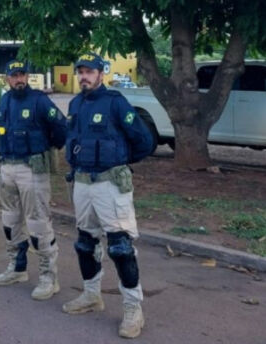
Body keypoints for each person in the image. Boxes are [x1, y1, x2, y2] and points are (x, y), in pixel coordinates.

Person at [62, 52, 154, 339]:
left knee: (120, 247)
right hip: (82, 183)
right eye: (81, 72)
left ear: (101, 74)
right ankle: (92, 295)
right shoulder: (76, 104)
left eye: (90, 72)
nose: (84, 76)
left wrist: (120, 162)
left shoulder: (115, 102)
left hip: (109, 184)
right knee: (85, 243)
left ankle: (132, 309)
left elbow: (144, 141)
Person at [0, 60, 67, 300]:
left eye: (22, 75)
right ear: (7, 79)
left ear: (28, 76)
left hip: (32, 169)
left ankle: (48, 278)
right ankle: (17, 268)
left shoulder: (39, 100)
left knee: (38, 224)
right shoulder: (4, 101)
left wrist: (51, 146)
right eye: (14, 76)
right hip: (7, 168)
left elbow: (61, 127)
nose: (18, 79)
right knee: (10, 221)